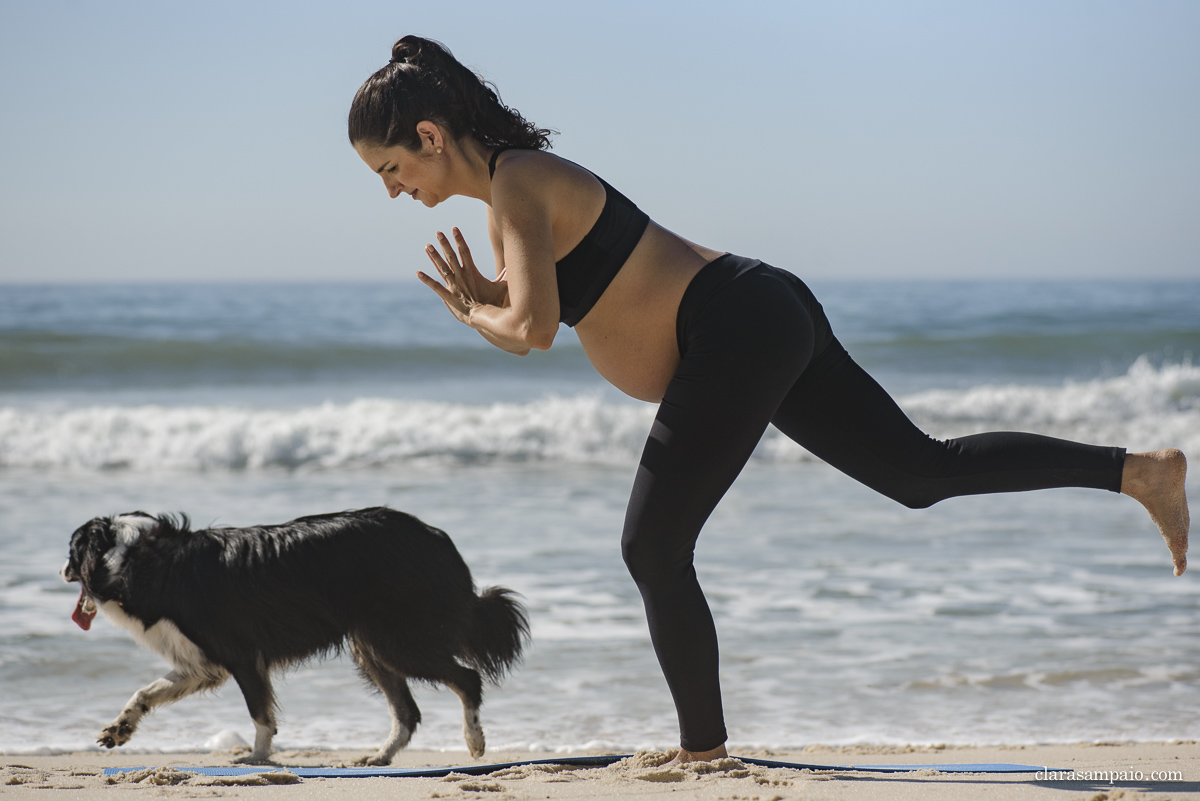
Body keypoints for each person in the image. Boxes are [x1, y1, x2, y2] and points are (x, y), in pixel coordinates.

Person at [348, 35, 1191, 764]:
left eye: (392, 169)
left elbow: (529, 330)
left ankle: (705, 752)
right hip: (755, 311)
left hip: (736, 325)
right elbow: (543, 300)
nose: (392, 190)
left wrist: (476, 311)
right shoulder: (511, 198)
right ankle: (1140, 472)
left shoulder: (519, 182)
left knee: (652, 545)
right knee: (918, 472)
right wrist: (490, 297)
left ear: (428, 136)